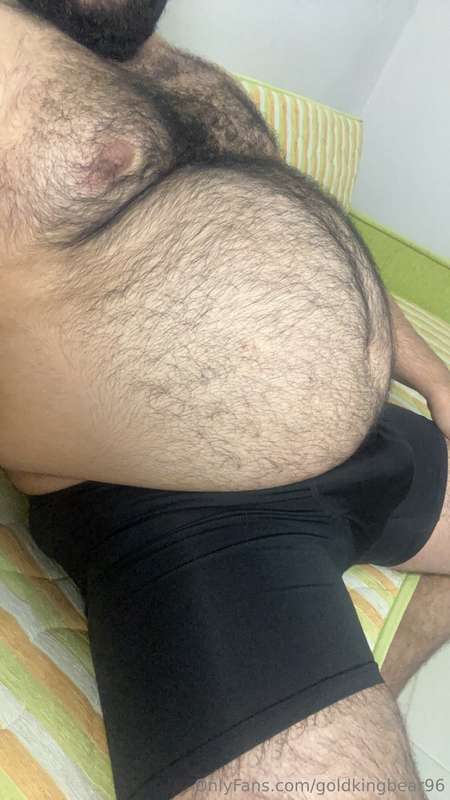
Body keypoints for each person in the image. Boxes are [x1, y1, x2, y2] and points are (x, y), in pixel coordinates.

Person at [0, 1, 449, 798]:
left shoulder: (165, 60)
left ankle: (374, 684)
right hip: (169, 498)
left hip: (362, 436)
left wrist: (435, 377)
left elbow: (293, 224)